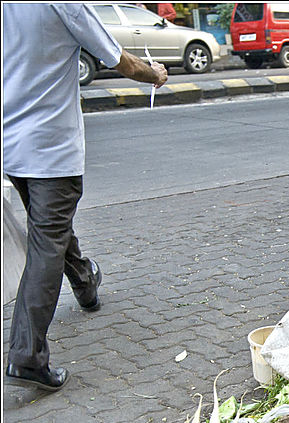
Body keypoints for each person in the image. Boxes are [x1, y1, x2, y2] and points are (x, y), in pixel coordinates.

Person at [3, 3, 168, 392]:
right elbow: (117, 56)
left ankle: (84, 281)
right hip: (50, 147)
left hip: (11, 144)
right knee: (47, 242)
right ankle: (27, 356)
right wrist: (154, 75)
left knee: (51, 228)